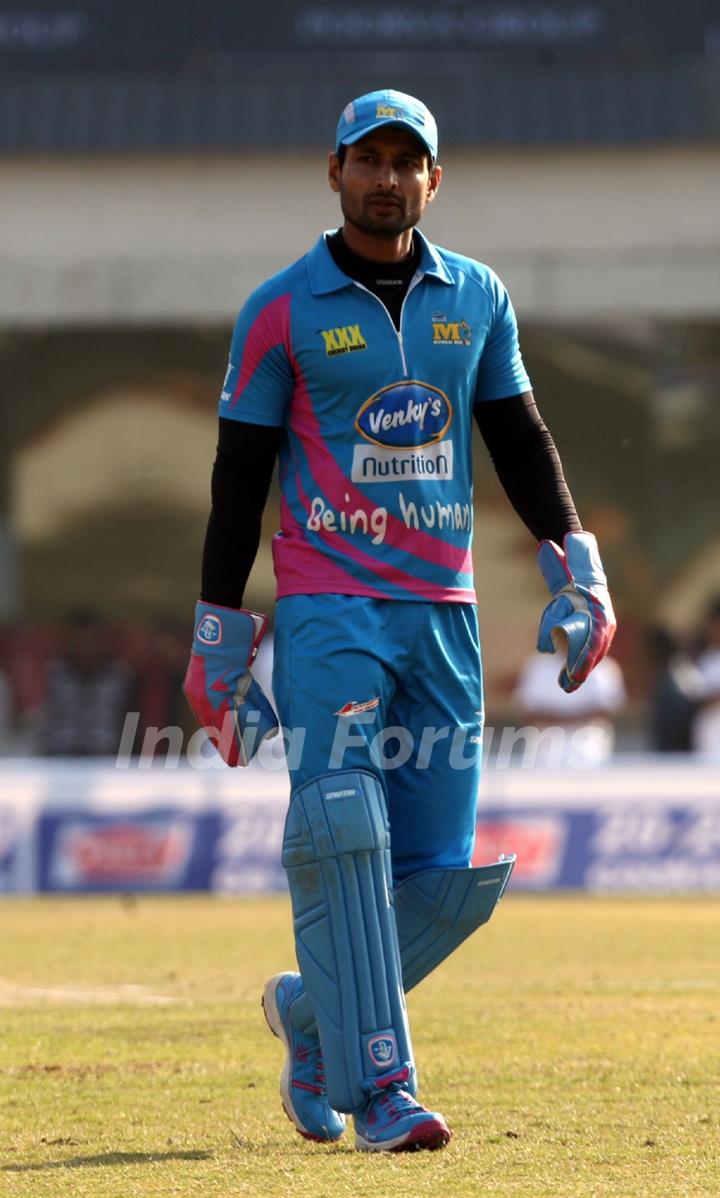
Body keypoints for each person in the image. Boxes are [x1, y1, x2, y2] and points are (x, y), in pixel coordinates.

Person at [183, 90, 616, 1152]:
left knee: (447, 881)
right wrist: (216, 636)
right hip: (330, 602)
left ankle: (309, 1016)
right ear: (333, 173)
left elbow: (519, 438)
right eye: (367, 159)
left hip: (445, 611)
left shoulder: (478, 296)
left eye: (405, 161)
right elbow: (238, 480)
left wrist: (582, 571)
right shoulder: (281, 308)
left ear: (435, 179)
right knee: (343, 832)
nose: (387, 178)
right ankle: (383, 1091)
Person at [513, 648, 626, 766]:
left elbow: (609, 709)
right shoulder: (537, 666)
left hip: (591, 754)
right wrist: (568, 719)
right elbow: (527, 710)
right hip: (543, 756)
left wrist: (567, 719)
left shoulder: (604, 667)